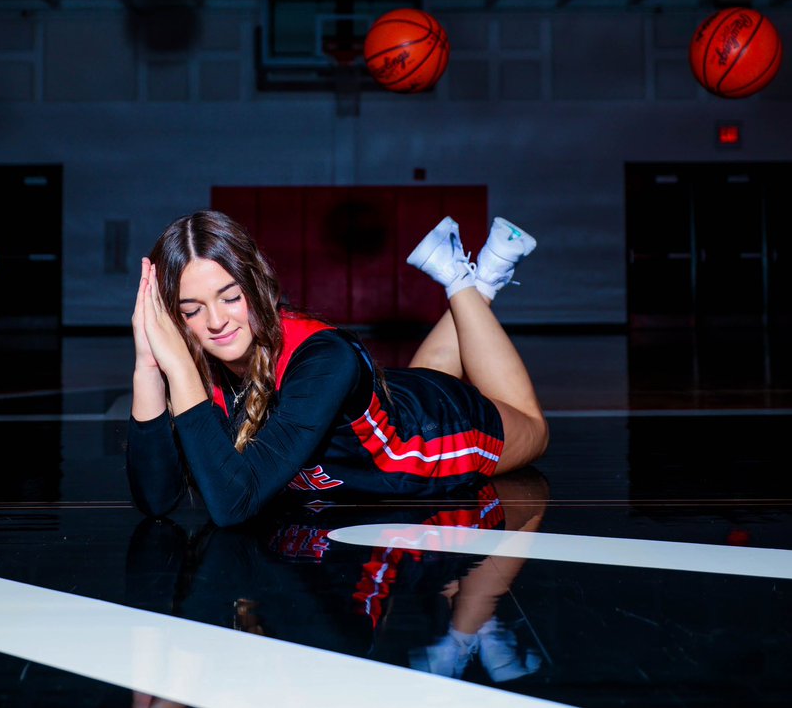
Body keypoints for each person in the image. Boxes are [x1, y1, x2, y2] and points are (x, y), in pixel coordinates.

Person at [126, 209, 548, 527]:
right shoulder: (208, 365)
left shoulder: (326, 359)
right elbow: (157, 500)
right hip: (391, 400)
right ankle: (469, 273)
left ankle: (470, 279)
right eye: (192, 310)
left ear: (257, 285)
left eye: (230, 297)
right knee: (427, 373)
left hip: (434, 434)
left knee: (533, 427)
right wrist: (147, 366)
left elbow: (233, 504)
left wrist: (178, 370)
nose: (216, 322)